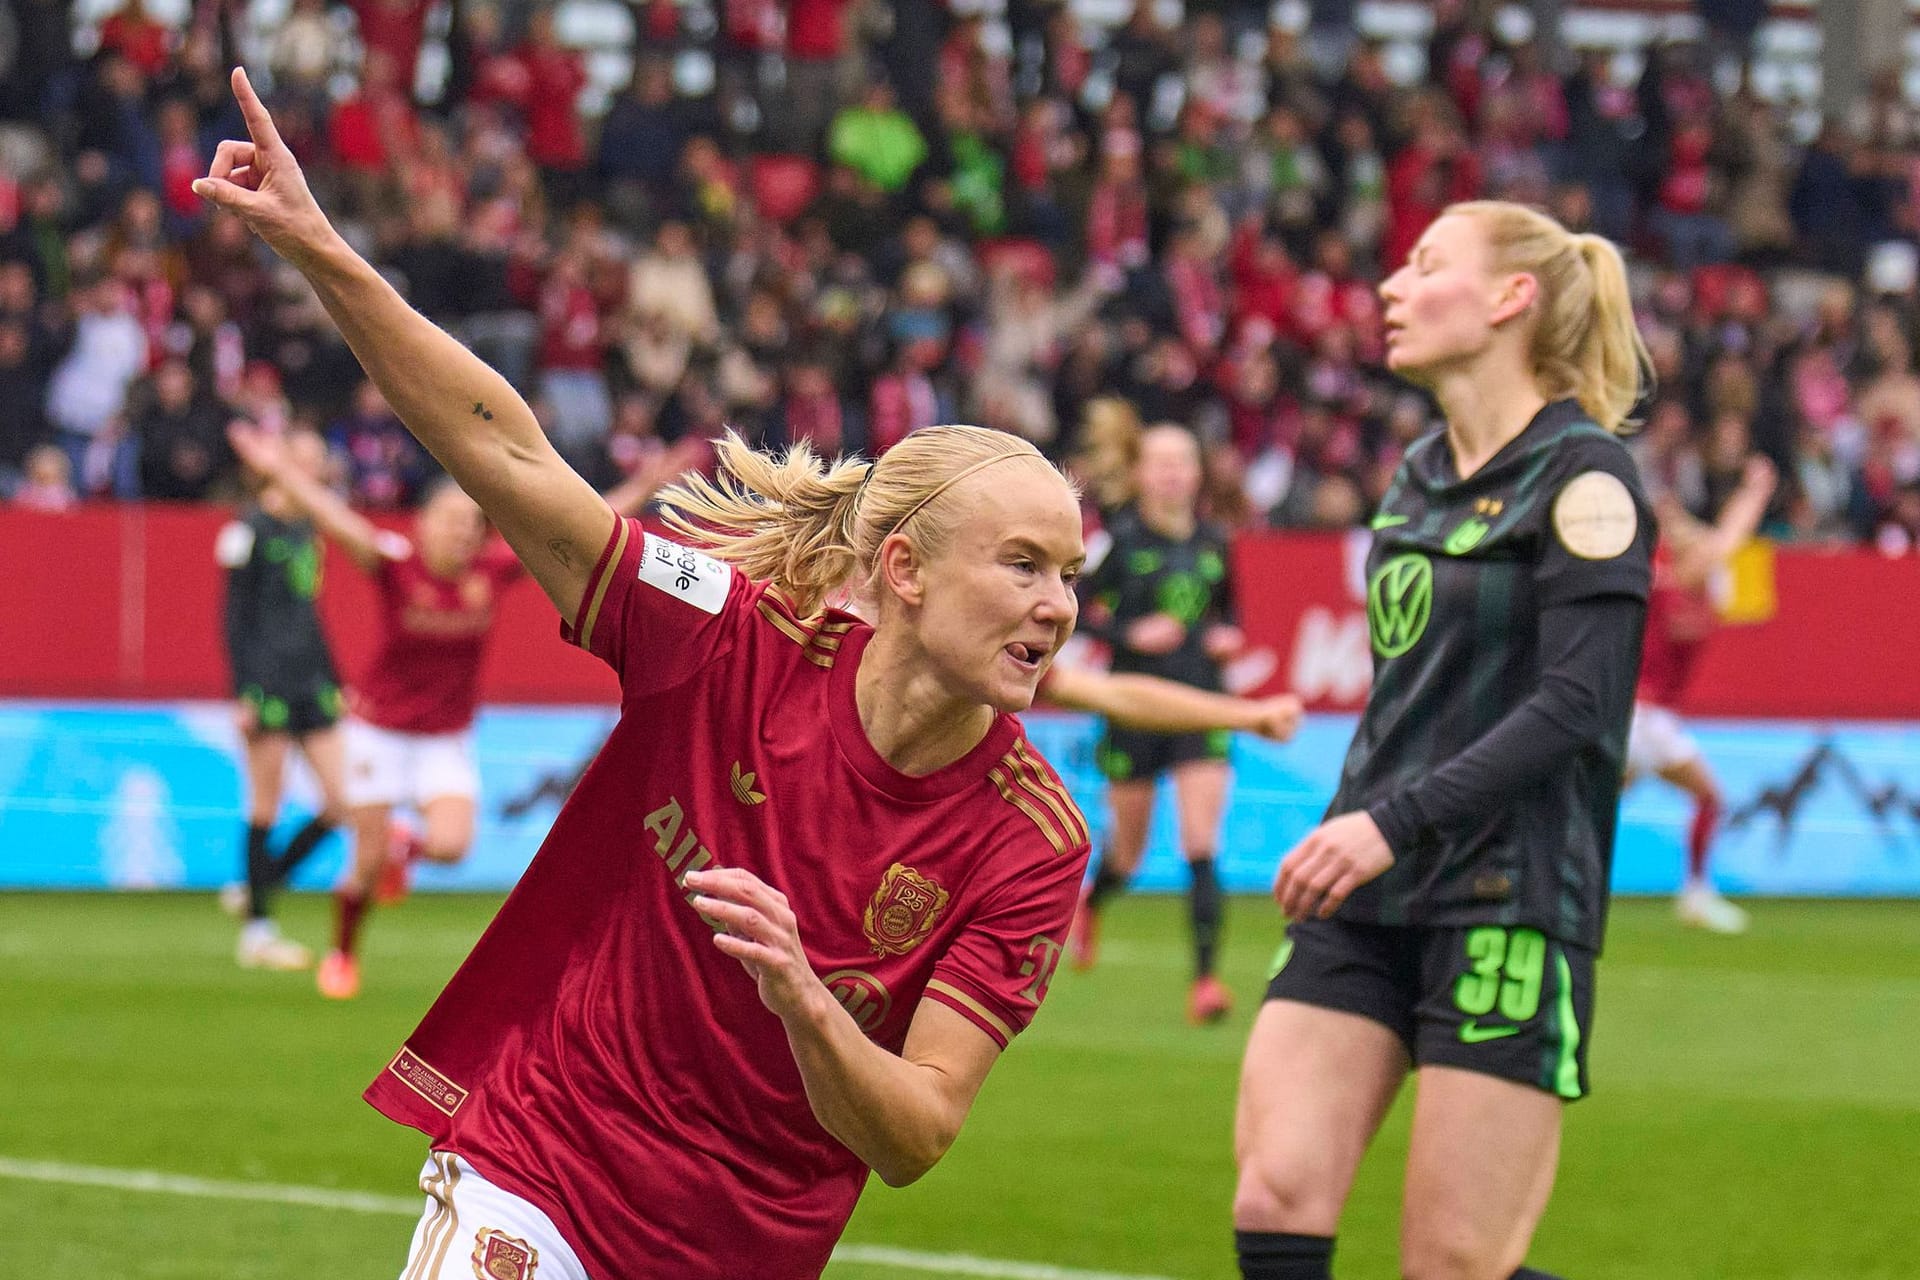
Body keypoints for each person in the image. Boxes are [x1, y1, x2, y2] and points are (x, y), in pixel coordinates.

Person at [196, 68, 1094, 1278]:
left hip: (739, 1248)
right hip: (542, 1166)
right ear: (905, 569)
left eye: (1070, 573)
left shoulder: (1032, 842)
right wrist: (319, 249)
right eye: (1025, 562)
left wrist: (806, 1000)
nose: (1057, 604)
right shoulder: (726, 636)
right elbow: (503, 449)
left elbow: (920, 1131)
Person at [1232, 201, 1654, 1280]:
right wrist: (1361, 824)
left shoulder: (1587, 478)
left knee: (1455, 1263)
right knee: (1276, 1193)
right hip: (1365, 887)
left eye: (1427, 265)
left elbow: (1578, 706)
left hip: (1506, 900)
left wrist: (1390, 820)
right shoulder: (1419, 470)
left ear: (1512, 298)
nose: (1391, 287)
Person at [228, 424, 527, 1001]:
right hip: (381, 733)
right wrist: (282, 470)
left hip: (445, 737)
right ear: (423, 523)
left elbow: (567, 533)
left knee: (451, 846)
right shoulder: (394, 564)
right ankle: (342, 955)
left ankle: (403, 848)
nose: (465, 532)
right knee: (362, 868)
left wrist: (641, 484)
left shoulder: (490, 574)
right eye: (452, 519)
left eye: (473, 523)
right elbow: (335, 518)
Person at [1069, 423, 1246, 1025]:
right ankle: (1094, 898)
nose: (1172, 472)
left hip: (1200, 705)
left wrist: (1227, 638)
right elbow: (1075, 611)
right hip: (1134, 709)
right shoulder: (1118, 541)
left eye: (1183, 461)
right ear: (1142, 473)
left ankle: (1206, 982)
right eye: (1160, 462)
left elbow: (1231, 617)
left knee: (1202, 843)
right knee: (1132, 854)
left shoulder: (1216, 541)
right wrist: (1127, 634)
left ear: (1197, 473)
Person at [215, 425, 350, 970]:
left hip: (311, 682)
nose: (315, 471)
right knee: (265, 804)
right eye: (305, 459)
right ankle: (258, 931)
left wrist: (337, 679)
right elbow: (233, 620)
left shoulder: (308, 529)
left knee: (341, 802)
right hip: (266, 684)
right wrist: (241, 690)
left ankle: (258, 886)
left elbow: (308, 614)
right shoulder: (249, 528)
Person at [1627, 454, 1777, 934]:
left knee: (1592, 809)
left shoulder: (1670, 578)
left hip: (1634, 718)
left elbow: (1702, 536)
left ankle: (1545, 879)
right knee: (1711, 797)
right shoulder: (1680, 580)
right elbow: (1727, 539)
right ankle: (1695, 893)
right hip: (1647, 719)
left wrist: (1671, 514)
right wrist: (1756, 490)